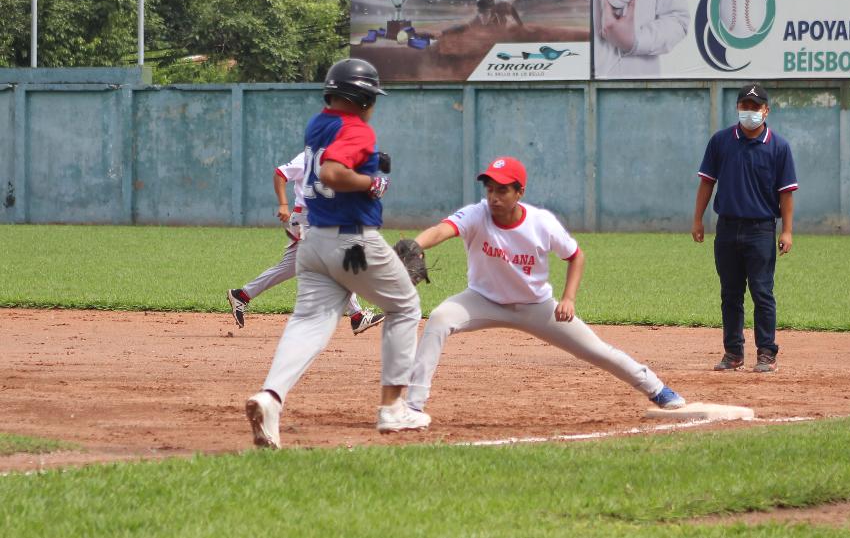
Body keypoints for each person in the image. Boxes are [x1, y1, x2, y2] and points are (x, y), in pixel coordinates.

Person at [402, 156, 686, 421]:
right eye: (490, 189)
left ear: (519, 192)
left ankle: (657, 389)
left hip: (535, 306)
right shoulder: (477, 214)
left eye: (502, 190)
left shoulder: (541, 223)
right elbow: (442, 230)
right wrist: (415, 245)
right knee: (439, 319)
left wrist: (569, 298)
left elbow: (576, 256)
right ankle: (413, 405)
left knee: (595, 350)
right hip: (482, 300)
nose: (493, 197)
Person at [245, 58, 429, 449]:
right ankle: (393, 408)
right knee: (405, 307)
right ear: (363, 98)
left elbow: (329, 158)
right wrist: (372, 183)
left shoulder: (318, 123)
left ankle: (271, 398)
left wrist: (368, 164)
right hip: (354, 242)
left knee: (309, 322)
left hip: (312, 243)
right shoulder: (359, 128)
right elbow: (332, 172)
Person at [692, 84, 798, 373]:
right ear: (738, 107)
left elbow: (786, 193)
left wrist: (787, 230)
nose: (749, 111)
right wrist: (698, 219)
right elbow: (707, 182)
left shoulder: (778, 147)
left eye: (755, 107)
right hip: (727, 228)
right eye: (745, 106)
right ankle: (733, 353)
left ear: (766, 110)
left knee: (762, 292)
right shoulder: (721, 141)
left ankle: (767, 353)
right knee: (730, 293)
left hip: (761, 229)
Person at [227, 151, 385, 336]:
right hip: (306, 218)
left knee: (290, 266)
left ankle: (242, 295)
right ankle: (357, 315)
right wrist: (283, 205)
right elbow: (280, 173)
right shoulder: (307, 158)